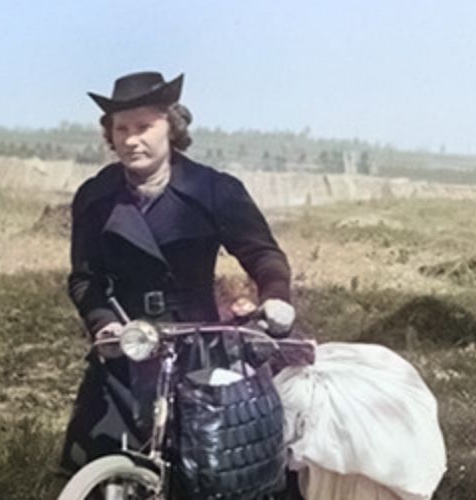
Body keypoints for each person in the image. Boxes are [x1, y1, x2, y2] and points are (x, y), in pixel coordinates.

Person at [59, 71, 301, 494]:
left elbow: (263, 255)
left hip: (197, 347)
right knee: (97, 463)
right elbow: (84, 278)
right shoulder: (95, 197)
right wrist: (102, 323)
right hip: (126, 347)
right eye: (121, 129)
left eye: (144, 126)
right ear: (110, 136)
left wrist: (276, 298)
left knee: (215, 466)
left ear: (171, 126)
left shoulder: (213, 190)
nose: (132, 140)